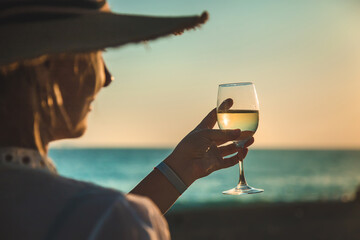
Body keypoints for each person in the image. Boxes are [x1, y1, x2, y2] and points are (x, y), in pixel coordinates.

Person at [0, 1, 254, 239]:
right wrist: (127, 216)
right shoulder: (114, 220)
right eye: (98, 52)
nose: (107, 77)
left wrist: (182, 169)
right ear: (45, 65)